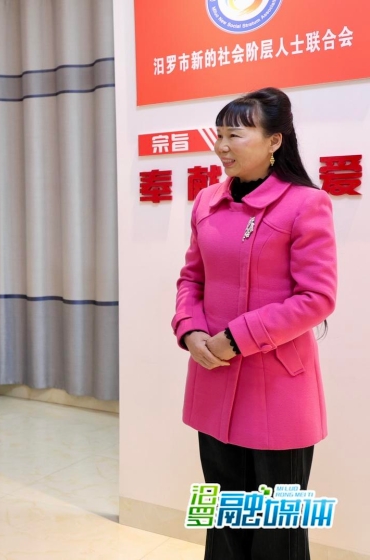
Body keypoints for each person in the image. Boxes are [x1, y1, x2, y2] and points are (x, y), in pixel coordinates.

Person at [172, 87, 337, 560]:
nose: (222, 146)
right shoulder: (207, 201)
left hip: (277, 388)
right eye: (219, 135)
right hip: (214, 377)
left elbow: (317, 298)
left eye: (236, 135)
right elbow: (191, 278)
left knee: (278, 531)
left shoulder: (306, 203)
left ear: (274, 141)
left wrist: (234, 339)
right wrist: (190, 330)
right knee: (224, 518)